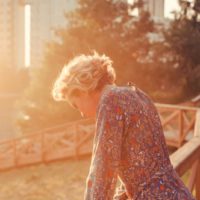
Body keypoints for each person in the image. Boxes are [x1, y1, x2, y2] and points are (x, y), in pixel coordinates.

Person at [52, 52, 195, 200]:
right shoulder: (138, 95)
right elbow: (143, 164)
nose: (81, 113)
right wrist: (123, 192)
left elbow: (102, 171)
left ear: (82, 90)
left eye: (76, 105)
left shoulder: (110, 102)